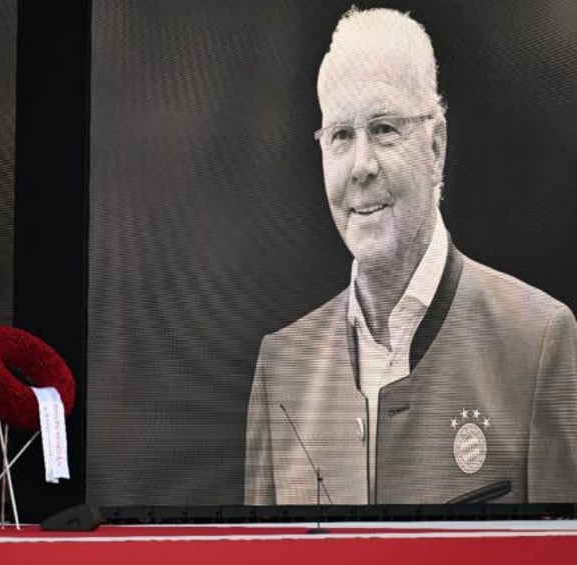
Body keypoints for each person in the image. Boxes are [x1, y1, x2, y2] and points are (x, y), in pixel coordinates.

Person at [244, 6, 577, 506]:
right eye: (340, 135)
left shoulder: (539, 343)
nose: (361, 167)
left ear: (436, 146)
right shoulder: (281, 368)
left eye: (383, 129)